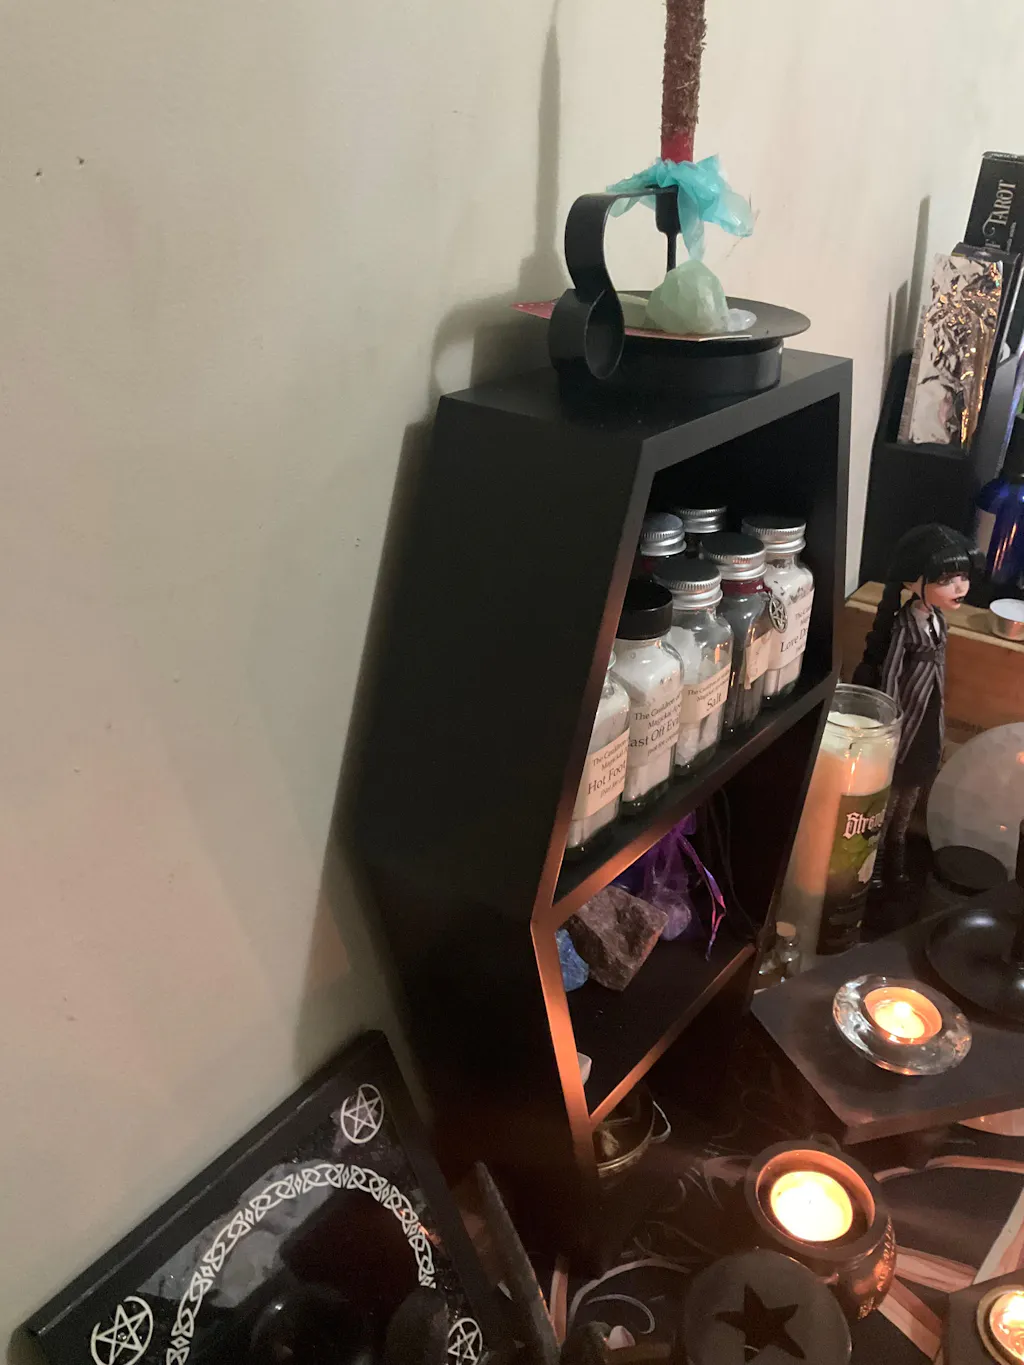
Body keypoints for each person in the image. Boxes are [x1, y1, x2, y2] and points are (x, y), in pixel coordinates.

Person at [852, 523, 975, 886]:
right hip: (903, 721)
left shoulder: (939, 621)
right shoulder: (904, 626)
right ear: (912, 581)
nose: (960, 588)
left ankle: (898, 855)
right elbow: (890, 674)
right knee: (889, 801)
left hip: (928, 719)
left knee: (910, 798)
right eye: (947, 579)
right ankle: (875, 863)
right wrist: (889, 723)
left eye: (963, 577)